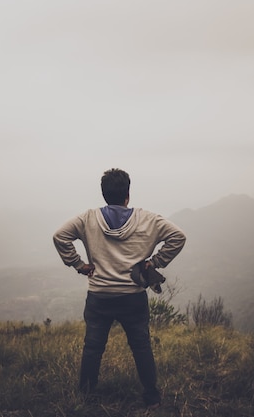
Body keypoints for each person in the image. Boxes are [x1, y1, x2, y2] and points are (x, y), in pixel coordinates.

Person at [52, 168, 186, 409]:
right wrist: (155, 262)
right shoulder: (149, 219)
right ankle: (151, 396)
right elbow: (178, 237)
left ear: (104, 194)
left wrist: (79, 265)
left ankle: (86, 396)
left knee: (93, 347)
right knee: (141, 346)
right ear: (128, 194)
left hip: (99, 296)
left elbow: (59, 236)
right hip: (133, 296)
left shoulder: (87, 219)